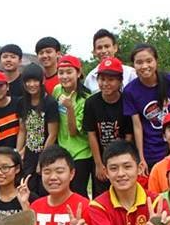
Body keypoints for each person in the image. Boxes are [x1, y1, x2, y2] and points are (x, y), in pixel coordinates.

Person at [123, 43, 170, 174]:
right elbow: (137, 126)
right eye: (139, 62)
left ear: (156, 61)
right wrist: (141, 157)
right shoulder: (130, 91)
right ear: (133, 65)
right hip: (150, 150)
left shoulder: (169, 81)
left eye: (149, 61)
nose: (144, 66)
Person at [83, 56, 133, 197]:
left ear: (120, 81)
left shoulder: (126, 101)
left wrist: (123, 163)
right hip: (101, 157)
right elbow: (92, 134)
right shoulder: (91, 103)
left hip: (121, 156)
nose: (105, 83)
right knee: (102, 196)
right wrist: (99, 164)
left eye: (111, 80)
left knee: (122, 193)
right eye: (102, 79)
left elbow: (129, 136)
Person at [52, 55, 92, 197]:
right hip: (62, 150)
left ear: (78, 73)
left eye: (69, 72)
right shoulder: (57, 90)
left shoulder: (86, 98)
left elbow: (74, 131)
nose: (65, 76)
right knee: (62, 191)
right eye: (61, 72)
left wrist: (69, 108)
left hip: (81, 153)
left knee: (78, 192)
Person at [19, 63, 59, 196]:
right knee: (28, 189)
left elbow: (52, 134)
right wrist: (18, 152)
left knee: (44, 190)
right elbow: (22, 130)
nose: (32, 84)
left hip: (46, 153)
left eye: (35, 80)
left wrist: (42, 160)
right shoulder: (23, 102)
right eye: (28, 81)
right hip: (29, 153)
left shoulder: (50, 103)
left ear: (42, 81)